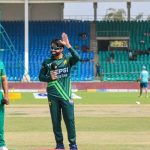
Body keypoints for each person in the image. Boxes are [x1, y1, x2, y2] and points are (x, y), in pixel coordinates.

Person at [39, 33, 80, 150]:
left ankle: (73, 144)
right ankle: (59, 145)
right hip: (52, 96)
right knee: (56, 121)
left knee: (70, 121)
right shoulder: (47, 61)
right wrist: (49, 78)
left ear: (61, 49)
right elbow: (40, 77)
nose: (52, 50)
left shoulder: (67, 59)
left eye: (55, 48)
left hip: (66, 95)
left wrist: (68, 45)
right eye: (51, 47)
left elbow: (77, 57)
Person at [0, 61, 9, 150]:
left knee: (0, 122)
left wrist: (6, 95)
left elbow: (4, 79)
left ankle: (1, 144)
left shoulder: (1, 63)